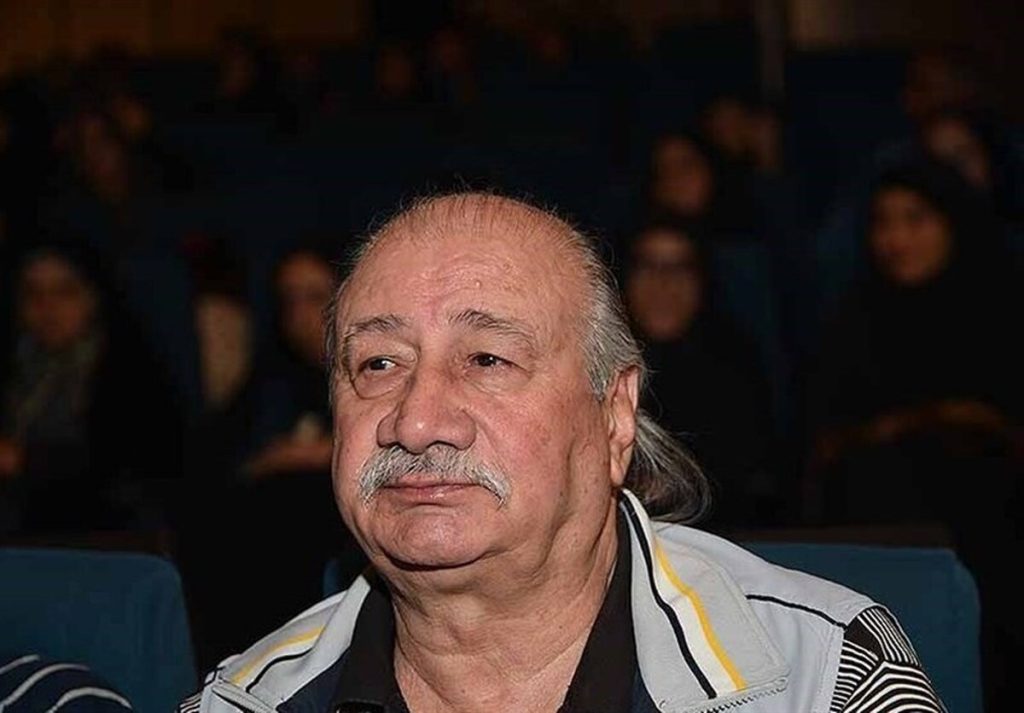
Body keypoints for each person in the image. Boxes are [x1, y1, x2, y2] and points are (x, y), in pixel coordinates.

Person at [182, 193, 943, 713]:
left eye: (487, 359)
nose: (415, 421)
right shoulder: (242, 701)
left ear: (615, 416)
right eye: (378, 364)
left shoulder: (825, 680)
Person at [623, 220, 776, 529]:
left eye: (679, 268)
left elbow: (745, 477)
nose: (663, 284)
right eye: (648, 266)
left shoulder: (736, 369)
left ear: (702, 281)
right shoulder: (595, 366)